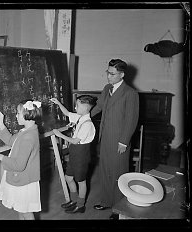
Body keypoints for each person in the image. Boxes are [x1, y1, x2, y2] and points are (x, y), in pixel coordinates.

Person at [90, 59, 139, 219]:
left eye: (112, 74)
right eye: (108, 72)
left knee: (118, 173)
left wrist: (124, 141)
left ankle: (118, 208)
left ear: (122, 74)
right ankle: (105, 201)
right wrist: (82, 118)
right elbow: (99, 106)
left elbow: (131, 119)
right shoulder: (107, 88)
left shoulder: (130, 93)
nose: (108, 77)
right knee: (104, 170)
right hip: (105, 138)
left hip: (119, 141)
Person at [0, 100, 42, 220]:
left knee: (25, 211)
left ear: (27, 115)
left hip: (24, 180)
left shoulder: (28, 137)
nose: (16, 116)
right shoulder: (26, 131)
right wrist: (1, 122)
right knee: (20, 209)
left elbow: (19, 165)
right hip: (21, 178)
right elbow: (11, 141)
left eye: (18, 113)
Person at [50, 95, 95, 214]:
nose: (75, 107)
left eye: (78, 105)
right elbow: (67, 113)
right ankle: (74, 201)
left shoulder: (88, 124)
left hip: (82, 156)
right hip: (75, 154)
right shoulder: (80, 117)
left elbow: (75, 141)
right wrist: (58, 103)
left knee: (81, 181)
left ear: (86, 108)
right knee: (68, 178)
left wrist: (60, 135)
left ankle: (80, 206)